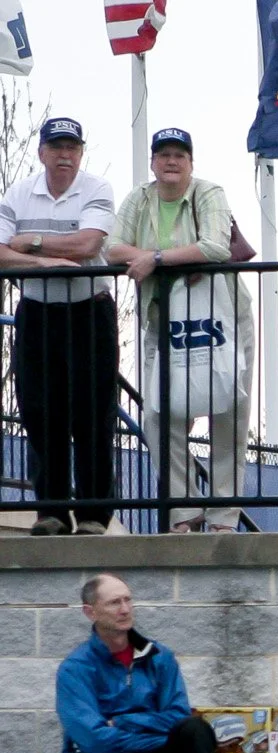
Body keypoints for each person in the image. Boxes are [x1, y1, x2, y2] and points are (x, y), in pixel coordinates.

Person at [105, 127, 256, 533]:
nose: (171, 161)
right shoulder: (139, 198)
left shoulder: (209, 193)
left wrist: (155, 258)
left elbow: (215, 247)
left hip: (223, 319)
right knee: (158, 414)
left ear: (191, 163)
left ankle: (224, 517)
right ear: (153, 162)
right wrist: (170, 261)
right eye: (164, 155)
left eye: (180, 155)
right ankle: (184, 510)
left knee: (230, 412)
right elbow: (113, 248)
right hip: (164, 320)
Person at [0, 118, 118, 536]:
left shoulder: (96, 188)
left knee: (92, 414)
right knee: (39, 412)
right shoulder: (18, 192)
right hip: (37, 312)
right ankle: (50, 511)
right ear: (42, 152)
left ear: (81, 152)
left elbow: (88, 245)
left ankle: (93, 515)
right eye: (57, 147)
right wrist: (46, 262)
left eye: (72, 147)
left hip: (89, 312)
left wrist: (27, 242)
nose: (65, 155)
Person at [56, 574, 217, 753]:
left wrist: (123, 722)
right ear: (90, 611)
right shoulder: (75, 669)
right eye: (114, 602)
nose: (125, 609)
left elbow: (179, 716)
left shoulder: (160, 657)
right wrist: (157, 731)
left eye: (128, 599)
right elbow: (94, 744)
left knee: (196, 730)